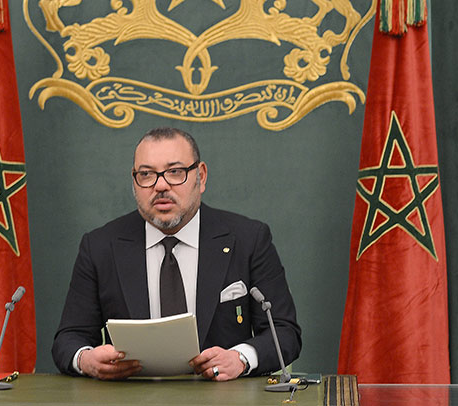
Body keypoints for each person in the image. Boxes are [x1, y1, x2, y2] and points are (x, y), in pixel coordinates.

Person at [52, 127, 301, 381]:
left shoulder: (248, 239)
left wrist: (241, 358)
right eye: (146, 174)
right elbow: (68, 339)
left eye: (175, 172)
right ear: (134, 182)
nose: (160, 185)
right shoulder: (100, 246)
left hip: (221, 393)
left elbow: (284, 332)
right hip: (132, 394)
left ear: (200, 176)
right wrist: (86, 360)